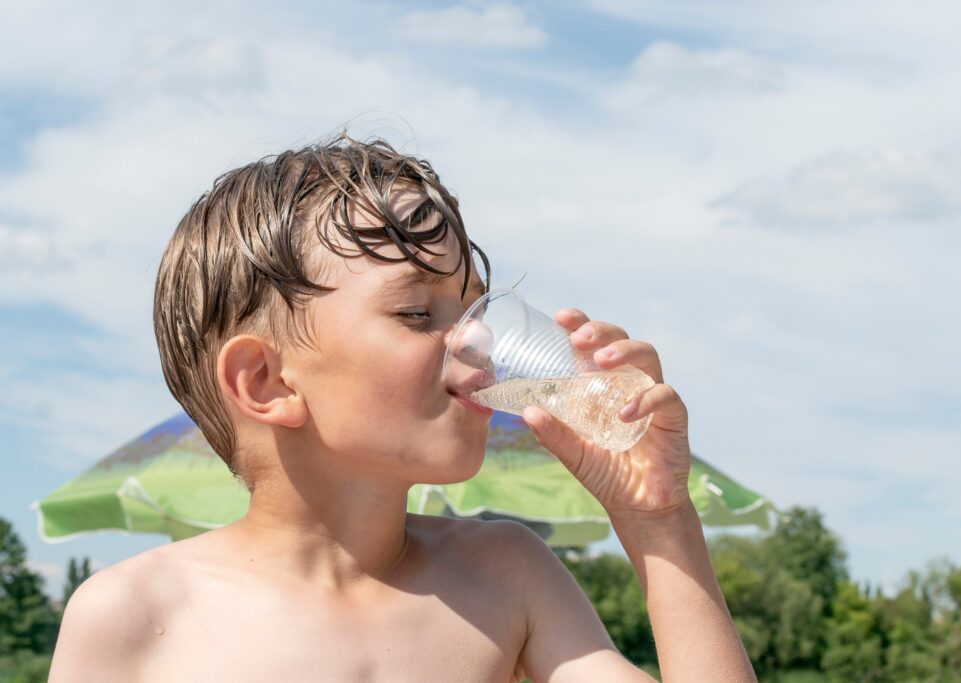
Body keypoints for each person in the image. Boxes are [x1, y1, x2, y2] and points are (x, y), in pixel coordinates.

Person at [49, 134, 755, 682]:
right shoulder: (136, 615)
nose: (478, 336)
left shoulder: (507, 576)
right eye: (419, 312)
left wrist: (659, 523)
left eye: (474, 301)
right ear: (265, 381)